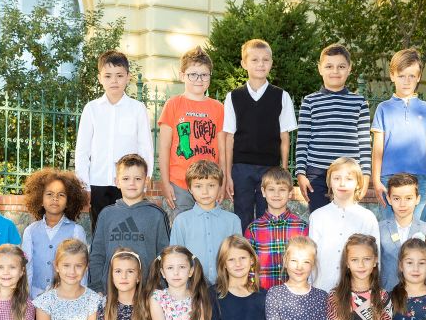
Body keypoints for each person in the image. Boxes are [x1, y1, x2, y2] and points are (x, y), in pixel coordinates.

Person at [21, 168, 88, 320]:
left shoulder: (76, 230)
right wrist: (27, 299)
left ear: (69, 200)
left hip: (66, 299)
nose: (54, 199)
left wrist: (80, 298)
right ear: (40, 198)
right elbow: (27, 267)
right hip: (38, 298)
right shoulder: (31, 231)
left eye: (61, 195)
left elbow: (82, 268)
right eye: (49, 194)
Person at [220, 39, 298, 230]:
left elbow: (284, 137)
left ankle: (265, 248)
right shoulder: (233, 97)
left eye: (265, 60)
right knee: (242, 215)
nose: (260, 64)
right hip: (241, 168)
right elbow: (229, 138)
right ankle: (244, 249)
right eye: (254, 60)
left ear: (271, 63)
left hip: (269, 168)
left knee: (268, 215)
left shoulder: (281, 96)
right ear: (244, 63)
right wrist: (228, 174)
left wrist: (284, 170)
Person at [74, 50, 154, 228]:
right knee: (101, 231)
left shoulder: (137, 108)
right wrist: (84, 185)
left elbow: (145, 147)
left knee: (129, 230)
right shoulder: (92, 109)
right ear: (100, 78)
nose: (114, 81)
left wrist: (144, 182)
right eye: (108, 76)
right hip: (98, 183)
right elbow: (82, 150)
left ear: (128, 77)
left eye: (119, 75)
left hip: (129, 184)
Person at [295, 44, 371, 213]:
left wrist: (365, 175)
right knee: (319, 218)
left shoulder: (359, 103)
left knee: (347, 219)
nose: (335, 71)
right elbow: (302, 141)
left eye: (341, 66)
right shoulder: (310, 101)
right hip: (317, 174)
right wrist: (300, 173)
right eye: (329, 66)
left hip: (348, 175)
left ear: (349, 69)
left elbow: (365, 143)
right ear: (320, 69)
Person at [371, 49, 426, 221]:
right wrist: (376, 180)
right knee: (389, 228)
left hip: (419, 179)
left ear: (419, 77)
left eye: (411, 76)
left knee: (416, 230)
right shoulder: (383, 108)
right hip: (388, 178)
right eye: (401, 76)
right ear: (392, 76)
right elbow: (377, 148)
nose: (406, 81)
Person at [158, 46, 225, 219]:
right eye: (193, 74)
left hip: (209, 182)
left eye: (204, 75)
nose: (199, 79)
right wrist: (165, 182)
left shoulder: (218, 108)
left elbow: (222, 150)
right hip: (179, 184)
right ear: (182, 76)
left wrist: (222, 182)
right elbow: (164, 148)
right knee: (181, 229)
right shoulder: (173, 105)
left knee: (208, 228)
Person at [88, 154, 170, 292]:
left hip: (147, 293)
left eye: (138, 178)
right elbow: (97, 255)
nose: (132, 183)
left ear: (146, 181)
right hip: (110, 293)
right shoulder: (106, 214)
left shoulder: (157, 215)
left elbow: (164, 255)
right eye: (126, 179)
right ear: (117, 182)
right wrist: (97, 288)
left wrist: (159, 289)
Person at [309, 157, 380, 292]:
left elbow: (376, 258)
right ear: (329, 182)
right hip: (322, 289)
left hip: (356, 293)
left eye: (349, 179)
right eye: (336, 178)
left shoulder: (367, 218)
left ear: (358, 183)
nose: (342, 183)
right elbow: (311, 256)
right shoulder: (317, 217)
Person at [169, 160, 241, 284]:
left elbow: (237, 255)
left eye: (211, 185)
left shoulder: (233, 221)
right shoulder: (181, 221)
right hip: (192, 288)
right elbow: (175, 257)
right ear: (190, 189)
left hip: (225, 287)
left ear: (220, 186)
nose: (205, 192)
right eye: (198, 186)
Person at [244, 166, 308, 290]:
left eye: (282, 190)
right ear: (263, 192)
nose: (276, 194)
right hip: (263, 295)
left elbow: (308, 262)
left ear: (290, 192)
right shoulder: (253, 229)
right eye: (271, 189)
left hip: (294, 295)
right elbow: (249, 266)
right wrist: (252, 291)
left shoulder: (301, 228)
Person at [378, 173, 426, 291]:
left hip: (418, 297)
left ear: (417, 199)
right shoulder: (380, 230)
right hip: (387, 296)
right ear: (389, 199)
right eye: (396, 198)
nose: (402, 204)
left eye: (408, 198)